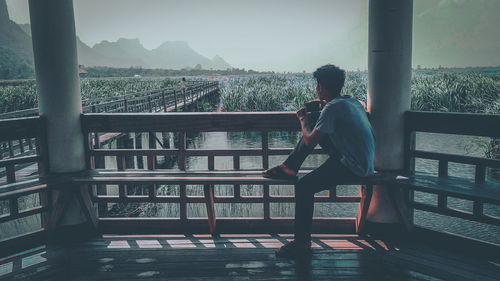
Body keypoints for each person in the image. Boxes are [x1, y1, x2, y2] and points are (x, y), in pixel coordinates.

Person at [262, 64, 375, 259]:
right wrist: (323, 106)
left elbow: (309, 141)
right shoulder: (354, 102)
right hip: (365, 163)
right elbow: (344, 117)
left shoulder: (332, 108)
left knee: (304, 186)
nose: (316, 88)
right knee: (319, 124)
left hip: (352, 165)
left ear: (320, 87)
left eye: (318, 85)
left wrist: (303, 120)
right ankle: (290, 167)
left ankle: (302, 243)